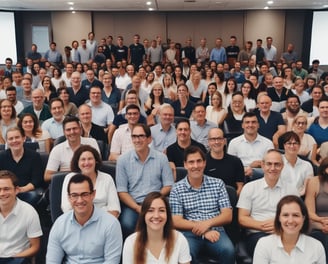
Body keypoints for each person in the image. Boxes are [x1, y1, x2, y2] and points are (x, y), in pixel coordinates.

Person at [169, 145, 235, 264]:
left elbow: (227, 215)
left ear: (204, 163)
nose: (195, 166)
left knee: (228, 250)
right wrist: (204, 230)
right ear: (185, 165)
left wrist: (207, 224)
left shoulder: (218, 184)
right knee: (185, 253)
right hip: (189, 233)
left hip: (216, 231)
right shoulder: (176, 189)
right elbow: (176, 220)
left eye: (199, 161)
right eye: (191, 162)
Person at [46, 174, 122, 264]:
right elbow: (52, 261)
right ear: (69, 198)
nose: (80, 200)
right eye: (74, 195)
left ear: (93, 194)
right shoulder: (60, 224)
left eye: (84, 194)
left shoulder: (111, 224)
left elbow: (112, 262)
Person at [116, 123, 174, 239]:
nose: (137, 140)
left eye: (141, 136)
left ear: (149, 139)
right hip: (134, 204)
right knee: (127, 224)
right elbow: (122, 192)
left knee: (172, 218)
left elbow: (168, 185)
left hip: (157, 201)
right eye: (134, 137)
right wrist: (138, 208)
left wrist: (154, 200)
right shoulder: (123, 160)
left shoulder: (161, 158)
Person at [237, 149, 299, 256]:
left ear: (283, 166)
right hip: (258, 234)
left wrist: (280, 225)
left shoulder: (291, 189)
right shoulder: (249, 188)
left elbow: (298, 216)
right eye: (269, 164)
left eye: (277, 164)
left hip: (285, 232)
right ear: (262, 165)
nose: (273, 168)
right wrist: (262, 226)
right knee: (272, 250)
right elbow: (242, 219)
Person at [123, 192, 191, 264]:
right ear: (144, 215)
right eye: (150, 210)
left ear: (167, 214)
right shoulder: (131, 242)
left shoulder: (179, 239)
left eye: (161, 210)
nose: (156, 216)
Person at [254, 195, 325, 263]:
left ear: (303, 218)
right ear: (279, 218)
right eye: (285, 215)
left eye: (296, 215)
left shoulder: (317, 246)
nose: (290, 221)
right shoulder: (264, 244)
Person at [61, 145, 120, 217]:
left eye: (90, 159)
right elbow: (67, 208)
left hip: (103, 222)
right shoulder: (70, 178)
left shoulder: (107, 178)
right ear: (77, 162)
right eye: (83, 159)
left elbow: (115, 209)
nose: (87, 163)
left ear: (96, 161)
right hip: (77, 222)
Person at [0, 170, 43, 264]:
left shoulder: (29, 212)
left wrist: (14, 257)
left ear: (16, 190)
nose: (2, 193)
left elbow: (35, 247)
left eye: (6, 189)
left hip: (17, 259)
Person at [44, 116, 100, 182]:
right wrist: (70, 175)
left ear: (80, 129)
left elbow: (98, 165)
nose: (72, 132)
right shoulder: (57, 149)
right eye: (68, 130)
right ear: (64, 132)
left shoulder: (92, 142)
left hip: (91, 181)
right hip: (67, 184)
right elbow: (47, 176)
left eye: (75, 128)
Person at [0, 127, 43, 206]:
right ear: (7, 141)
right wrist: (10, 190)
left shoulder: (34, 156)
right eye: (11, 138)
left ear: (24, 138)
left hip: (27, 191)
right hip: (6, 191)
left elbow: (37, 180)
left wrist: (22, 189)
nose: (14, 141)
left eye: (17, 137)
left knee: (34, 195)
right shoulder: (1, 157)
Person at [228, 112, 274, 181]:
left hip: (262, 177)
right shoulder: (234, 143)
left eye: (253, 122)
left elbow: (271, 165)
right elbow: (231, 166)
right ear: (242, 125)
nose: (250, 125)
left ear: (258, 125)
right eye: (247, 122)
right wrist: (250, 166)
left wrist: (255, 170)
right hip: (240, 177)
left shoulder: (268, 143)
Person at [205, 127, 245, 195]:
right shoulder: (202, 161)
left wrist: (232, 199)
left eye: (219, 138)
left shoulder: (236, 161)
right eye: (213, 139)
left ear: (224, 141)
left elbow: (240, 187)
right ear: (208, 142)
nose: (216, 142)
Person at [305, 157, 328, 259]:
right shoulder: (314, 182)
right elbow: (309, 212)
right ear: (325, 169)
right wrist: (322, 224)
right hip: (317, 224)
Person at [280, 131, 314, 196]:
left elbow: (308, 187)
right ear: (284, 145)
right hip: (280, 197)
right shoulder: (277, 162)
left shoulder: (307, 165)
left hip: (300, 198)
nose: (292, 146)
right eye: (289, 143)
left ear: (299, 145)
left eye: (295, 143)